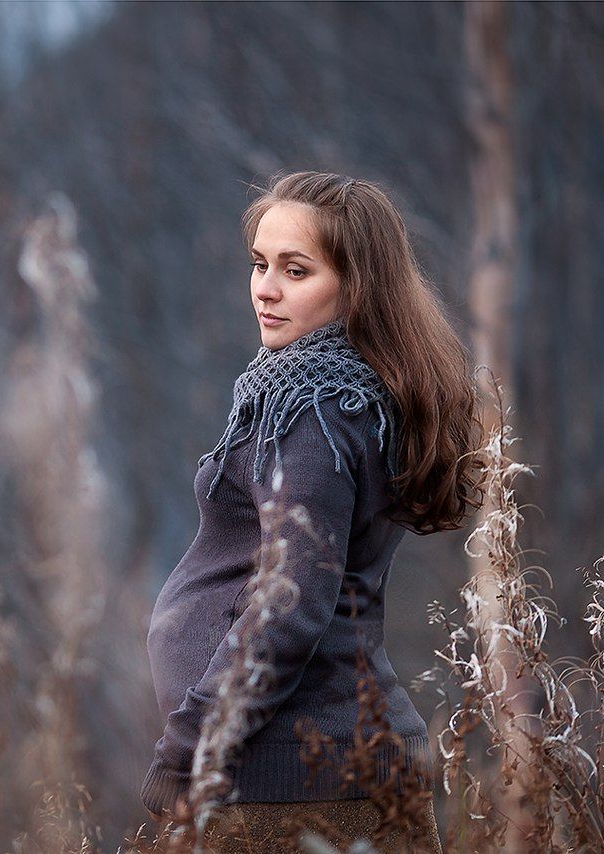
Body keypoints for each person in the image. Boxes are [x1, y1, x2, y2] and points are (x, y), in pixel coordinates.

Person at [140, 171, 484, 853]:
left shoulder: (314, 407)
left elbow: (288, 606)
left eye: (295, 271)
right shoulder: (342, 393)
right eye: (259, 264)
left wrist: (188, 750)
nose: (265, 289)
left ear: (356, 286)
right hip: (316, 774)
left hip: (296, 788)